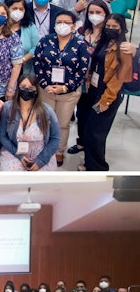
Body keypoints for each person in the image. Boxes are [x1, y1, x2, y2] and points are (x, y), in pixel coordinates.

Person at [32, 10, 90, 166]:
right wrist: (45, 84)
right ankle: (43, 149)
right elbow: (37, 64)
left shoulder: (79, 44)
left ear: (74, 26)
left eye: (66, 23)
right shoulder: (45, 40)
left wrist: (65, 88)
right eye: (59, 22)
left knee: (62, 123)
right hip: (46, 90)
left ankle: (58, 151)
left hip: (68, 92)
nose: (62, 25)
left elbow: (82, 70)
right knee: (45, 121)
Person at [79, 14, 132, 171]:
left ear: (122, 29)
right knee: (88, 131)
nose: (110, 29)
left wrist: (106, 101)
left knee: (96, 134)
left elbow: (118, 80)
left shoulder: (123, 49)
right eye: (108, 26)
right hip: (94, 91)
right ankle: (90, 163)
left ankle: (97, 168)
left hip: (107, 95)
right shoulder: (104, 42)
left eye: (114, 27)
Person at [0, 73, 60, 171]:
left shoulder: (47, 111)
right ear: (18, 88)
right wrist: (19, 156)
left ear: (36, 91)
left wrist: (41, 161)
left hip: (41, 153)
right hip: (14, 150)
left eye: (31, 88)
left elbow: (55, 139)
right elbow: (2, 135)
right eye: (23, 87)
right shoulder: (7, 108)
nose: (26, 90)